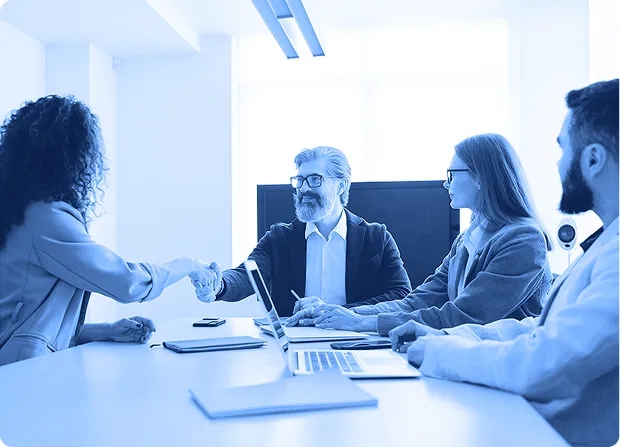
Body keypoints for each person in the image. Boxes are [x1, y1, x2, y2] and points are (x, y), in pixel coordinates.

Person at [390, 79, 619, 446]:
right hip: (520, 423)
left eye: (563, 149)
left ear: (593, 159)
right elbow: (537, 329)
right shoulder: (604, 245)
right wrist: (448, 337)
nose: (558, 163)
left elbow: (546, 362)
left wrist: (439, 350)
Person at [0, 95, 216, 366]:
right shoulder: (45, 218)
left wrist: (108, 331)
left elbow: (27, 320)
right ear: (71, 156)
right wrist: (189, 265)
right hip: (21, 373)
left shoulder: (18, 212)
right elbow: (126, 282)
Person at [288, 134, 553, 335]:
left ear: (481, 178)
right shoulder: (468, 239)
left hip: (501, 374)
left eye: (452, 173)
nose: (446, 183)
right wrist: (340, 314)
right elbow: (417, 301)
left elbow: (465, 315)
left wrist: (362, 323)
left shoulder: (524, 240)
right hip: (461, 359)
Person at [195, 146, 412, 316]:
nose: (304, 188)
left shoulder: (377, 237)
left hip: (357, 339)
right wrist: (218, 284)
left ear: (341, 185)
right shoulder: (279, 238)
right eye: (299, 180)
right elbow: (247, 276)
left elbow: (401, 295)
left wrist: (341, 313)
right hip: (295, 339)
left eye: (315, 179)